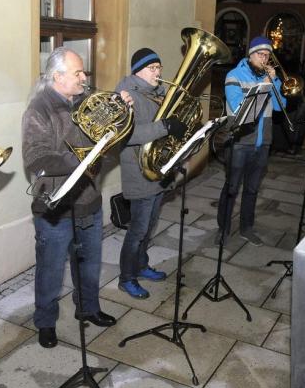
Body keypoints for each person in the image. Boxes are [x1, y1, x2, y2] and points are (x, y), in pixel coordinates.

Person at [21, 47, 130, 349]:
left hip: (89, 201)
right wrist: (80, 162)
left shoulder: (86, 103)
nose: (84, 77)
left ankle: (88, 308)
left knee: (90, 263)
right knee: (51, 270)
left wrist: (122, 115)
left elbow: (108, 146)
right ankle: (45, 321)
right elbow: (35, 159)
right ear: (57, 76)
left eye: (83, 72)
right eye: (78, 73)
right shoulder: (38, 110)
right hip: (56, 206)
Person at [114, 48, 183, 299]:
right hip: (139, 172)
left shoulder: (158, 93)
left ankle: (141, 266)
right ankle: (126, 278)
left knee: (150, 226)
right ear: (138, 71)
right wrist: (164, 127)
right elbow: (127, 135)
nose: (158, 72)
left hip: (158, 169)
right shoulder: (124, 95)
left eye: (159, 68)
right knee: (138, 230)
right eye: (152, 68)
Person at [216, 36, 286, 247]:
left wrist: (274, 81)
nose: (264, 59)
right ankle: (223, 229)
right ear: (250, 55)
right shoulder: (234, 75)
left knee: (253, 188)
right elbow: (237, 105)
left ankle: (247, 228)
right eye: (260, 55)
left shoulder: (269, 77)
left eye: (267, 56)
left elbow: (278, 106)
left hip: (262, 141)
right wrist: (263, 85)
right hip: (240, 140)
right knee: (231, 187)